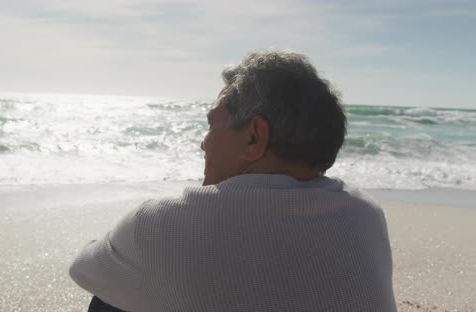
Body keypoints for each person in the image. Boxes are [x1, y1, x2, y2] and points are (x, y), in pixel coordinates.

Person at [69, 50, 397, 311]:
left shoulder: (162, 224)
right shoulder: (366, 215)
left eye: (212, 125)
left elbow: (84, 269)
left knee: (113, 297)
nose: (203, 142)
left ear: (254, 138)